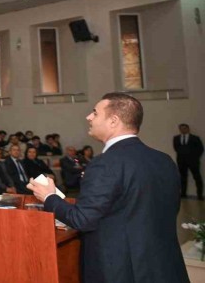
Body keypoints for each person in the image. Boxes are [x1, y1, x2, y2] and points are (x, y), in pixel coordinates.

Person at [28, 93, 188, 283]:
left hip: (123, 270)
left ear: (113, 121)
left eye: (95, 113)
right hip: (164, 266)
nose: (88, 117)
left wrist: (49, 196)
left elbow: (82, 220)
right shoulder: (164, 160)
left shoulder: (105, 163)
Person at [174, 123, 203, 200]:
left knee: (197, 177)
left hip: (193, 161)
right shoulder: (176, 138)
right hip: (181, 161)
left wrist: (194, 157)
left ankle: (200, 195)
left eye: (184, 128)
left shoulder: (195, 138)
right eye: (181, 129)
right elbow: (176, 148)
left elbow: (200, 149)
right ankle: (183, 194)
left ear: (188, 129)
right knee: (183, 178)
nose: (183, 130)